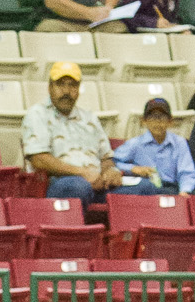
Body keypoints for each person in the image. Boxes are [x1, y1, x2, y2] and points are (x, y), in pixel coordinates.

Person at [22, 60, 160, 203]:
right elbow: (39, 160)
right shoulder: (37, 114)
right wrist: (83, 173)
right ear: (50, 87)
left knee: (146, 187)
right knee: (78, 187)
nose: (67, 91)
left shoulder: (89, 118)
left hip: (98, 182)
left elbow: (106, 158)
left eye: (72, 85)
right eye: (60, 84)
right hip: (59, 182)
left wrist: (110, 172)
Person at [112, 97, 195, 195]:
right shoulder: (135, 144)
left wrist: (184, 191)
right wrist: (133, 169)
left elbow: (186, 172)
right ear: (144, 121)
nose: (157, 122)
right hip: (147, 190)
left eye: (162, 117)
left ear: (170, 121)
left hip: (172, 188)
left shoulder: (179, 143)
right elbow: (113, 162)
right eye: (152, 117)